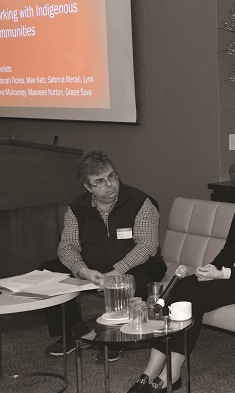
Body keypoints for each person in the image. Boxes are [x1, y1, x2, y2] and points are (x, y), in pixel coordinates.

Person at [126, 152, 235, 393]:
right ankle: (155, 366)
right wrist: (209, 269)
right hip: (232, 274)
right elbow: (228, 251)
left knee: (192, 294)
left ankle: (172, 373)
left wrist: (223, 274)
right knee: (181, 287)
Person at [41, 151, 167, 361]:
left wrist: (116, 272)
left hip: (138, 264)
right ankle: (75, 333)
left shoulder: (140, 202)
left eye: (112, 176)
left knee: (142, 275)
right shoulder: (76, 208)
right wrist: (83, 271)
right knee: (48, 271)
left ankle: (119, 333)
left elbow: (147, 245)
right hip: (93, 266)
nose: (110, 185)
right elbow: (66, 247)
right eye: (100, 181)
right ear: (87, 186)